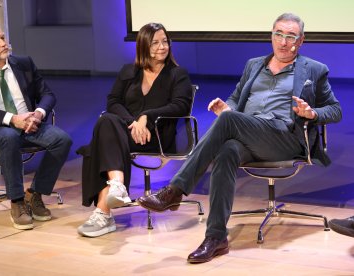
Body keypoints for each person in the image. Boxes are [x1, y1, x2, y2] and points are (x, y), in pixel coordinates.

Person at [137, 13, 342, 263]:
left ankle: (175, 190)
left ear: (301, 40)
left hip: (284, 138)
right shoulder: (254, 65)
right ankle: (216, 237)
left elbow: (335, 109)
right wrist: (228, 108)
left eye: (291, 36)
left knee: (229, 122)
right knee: (227, 151)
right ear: (271, 35)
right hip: (249, 135)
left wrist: (311, 112)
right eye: (278, 34)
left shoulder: (314, 70)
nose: (283, 41)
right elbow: (235, 99)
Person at [76, 23, 192, 237]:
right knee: (108, 120)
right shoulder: (129, 71)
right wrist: (133, 122)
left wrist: (146, 116)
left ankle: (104, 212)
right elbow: (113, 101)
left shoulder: (178, 74)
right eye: (155, 42)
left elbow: (180, 105)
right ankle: (115, 188)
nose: (162, 47)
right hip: (129, 133)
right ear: (143, 46)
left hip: (157, 136)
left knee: (97, 144)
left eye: (165, 41)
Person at [0, 22, 72, 230]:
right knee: (9, 137)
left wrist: (37, 115)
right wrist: (13, 119)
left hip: (29, 124)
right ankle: (17, 201)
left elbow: (47, 94)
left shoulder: (24, 63)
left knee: (62, 140)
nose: (3, 43)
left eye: (3, 38)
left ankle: (35, 194)